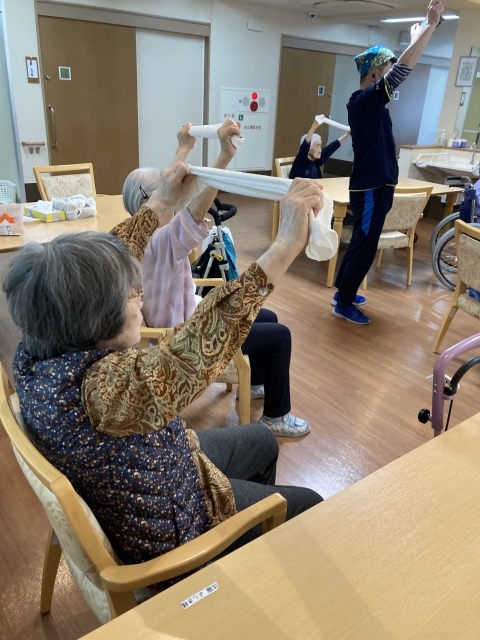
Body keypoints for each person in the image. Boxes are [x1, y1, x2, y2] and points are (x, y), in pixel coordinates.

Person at [4, 168, 324, 589]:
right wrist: (285, 245)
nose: (140, 296)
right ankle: (223, 579)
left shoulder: (40, 348)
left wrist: (160, 203)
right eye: (131, 293)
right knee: (310, 504)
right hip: (173, 527)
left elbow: (102, 263)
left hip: (156, 467)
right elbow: (193, 352)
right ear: (96, 319)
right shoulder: (103, 390)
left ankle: (248, 559)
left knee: (263, 441)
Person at [119, 121, 310, 438]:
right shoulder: (161, 241)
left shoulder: (136, 237)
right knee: (280, 335)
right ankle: (276, 416)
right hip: (183, 338)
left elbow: (174, 198)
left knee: (267, 316)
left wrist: (185, 147)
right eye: (167, 197)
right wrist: (223, 157)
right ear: (148, 202)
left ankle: (256, 383)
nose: (175, 199)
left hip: (187, 317)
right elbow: (193, 211)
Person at [332, 0, 444, 325]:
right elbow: (403, 71)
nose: (392, 76)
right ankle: (344, 302)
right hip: (370, 188)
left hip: (377, 185)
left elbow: (399, 70)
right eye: (387, 70)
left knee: (362, 242)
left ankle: (343, 291)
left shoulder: (372, 105)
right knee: (365, 246)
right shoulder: (363, 102)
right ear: (374, 74)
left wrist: (418, 35)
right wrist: (429, 27)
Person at [289, 115, 350, 180]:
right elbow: (305, 146)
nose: (320, 150)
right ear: (308, 149)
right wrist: (314, 126)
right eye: (317, 146)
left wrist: (347, 135)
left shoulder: (316, 160)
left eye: (320, 146)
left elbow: (331, 148)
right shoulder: (301, 160)